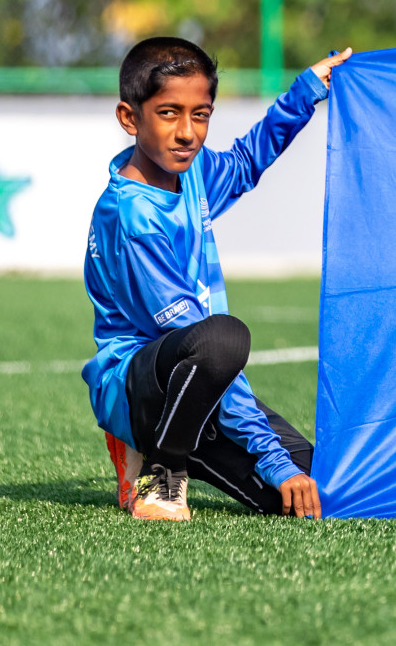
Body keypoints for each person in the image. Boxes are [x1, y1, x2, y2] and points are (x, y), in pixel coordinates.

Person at [83, 36, 351, 521]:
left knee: (317, 487)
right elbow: (192, 337)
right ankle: (160, 475)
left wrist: (305, 91)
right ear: (130, 118)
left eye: (200, 114)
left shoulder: (192, 173)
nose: (187, 132)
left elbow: (246, 163)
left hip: (199, 382)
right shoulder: (131, 215)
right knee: (225, 337)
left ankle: (176, 448)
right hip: (145, 388)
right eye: (168, 113)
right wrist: (269, 456)